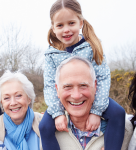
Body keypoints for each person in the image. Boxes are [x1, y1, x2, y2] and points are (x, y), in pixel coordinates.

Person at [40, 0, 125, 150]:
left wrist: (96, 111)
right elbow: (49, 85)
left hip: (94, 98)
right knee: (45, 126)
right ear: (53, 28)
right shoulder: (51, 54)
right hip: (63, 101)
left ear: (80, 23)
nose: (66, 29)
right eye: (60, 25)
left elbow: (103, 78)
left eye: (71, 23)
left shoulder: (91, 47)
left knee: (118, 113)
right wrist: (57, 112)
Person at [51, 56, 132, 150]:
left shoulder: (126, 130)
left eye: (83, 85)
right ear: (57, 90)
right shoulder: (46, 131)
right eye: (68, 86)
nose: (76, 96)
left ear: (95, 86)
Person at [0, 70, 43, 150]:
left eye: (18, 95)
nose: (13, 103)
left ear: (29, 98)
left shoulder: (44, 122)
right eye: (6, 98)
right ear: (1, 102)